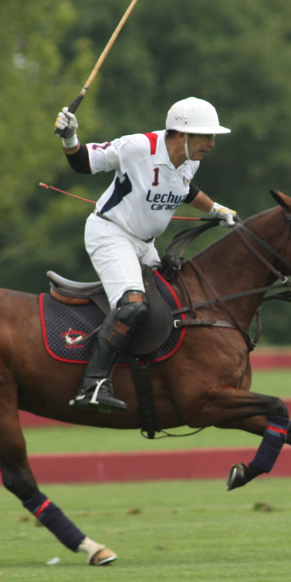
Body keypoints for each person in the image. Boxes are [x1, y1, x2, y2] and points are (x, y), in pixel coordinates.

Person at [55, 96, 236, 413]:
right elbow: (84, 163)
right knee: (133, 306)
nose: (211, 143)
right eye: (206, 136)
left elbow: (185, 189)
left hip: (144, 244)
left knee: (172, 303)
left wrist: (216, 209)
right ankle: (92, 385)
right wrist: (70, 137)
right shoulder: (138, 147)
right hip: (111, 233)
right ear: (182, 135)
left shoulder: (191, 158)